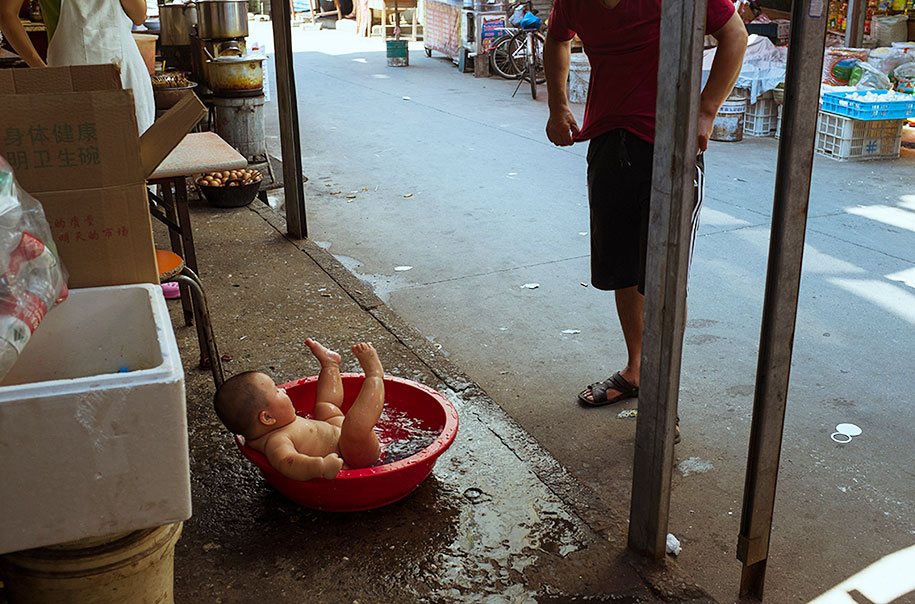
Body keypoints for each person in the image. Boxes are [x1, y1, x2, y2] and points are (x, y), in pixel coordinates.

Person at [543, 0, 747, 415]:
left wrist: (706, 110)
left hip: (670, 148)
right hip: (606, 143)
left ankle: (662, 393)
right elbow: (557, 39)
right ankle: (638, 371)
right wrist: (557, 105)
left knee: (663, 279)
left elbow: (735, 36)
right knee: (623, 270)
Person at [214, 339, 385, 481]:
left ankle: (330, 365)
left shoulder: (276, 427)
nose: (284, 390)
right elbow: (290, 463)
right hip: (355, 455)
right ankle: (375, 375)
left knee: (325, 406)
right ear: (267, 418)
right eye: (276, 390)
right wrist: (321, 466)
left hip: (335, 432)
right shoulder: (276, 442)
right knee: (354, 428)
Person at [0, 0, 154, 133]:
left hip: (127, 72)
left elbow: (139, 16)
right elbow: (6, 14)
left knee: (135, 153)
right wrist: (40, 69)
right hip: (69, 77)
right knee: (81, 153)